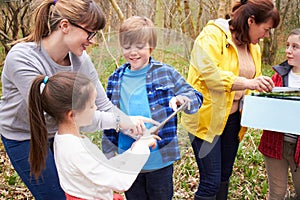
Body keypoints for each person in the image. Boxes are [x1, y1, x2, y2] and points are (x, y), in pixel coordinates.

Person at [0, 1, 157, 199]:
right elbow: (61, 114)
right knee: (55, 195)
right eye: (89, 33)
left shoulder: (80, 59)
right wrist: (121, 122)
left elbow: (102, 105)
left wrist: (132, 127)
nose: (92, 41)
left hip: (61, 134)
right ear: (65, 26)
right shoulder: (22, 58)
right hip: (25, 136)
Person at [181, 0, 280, 199]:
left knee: (224, 178)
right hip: (207, 119)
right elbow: (208, 74)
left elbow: (254, 81)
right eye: (266, 29)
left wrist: (261, 92)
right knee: (210, 183)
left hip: (234, 120)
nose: (267, 36)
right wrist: (247, 83)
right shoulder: (212, 35)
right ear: (251, 21)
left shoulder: (254, 48)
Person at [102, 16, 203, 200]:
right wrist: (108, 156)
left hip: (159, 160)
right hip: (129, 159)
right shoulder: (115, 79)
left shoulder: (166, 73)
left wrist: (182, 99)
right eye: (127, 47)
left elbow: (195, 96)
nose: (133, 52)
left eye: (139, 47)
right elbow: (109, 117)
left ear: (151, 46)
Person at [28, 71, 161, 200]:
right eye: (91, 105)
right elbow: (121, 181)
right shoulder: (76, 150)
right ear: (72, 115)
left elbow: (103, 168)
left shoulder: (64, 139)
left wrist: (134, 148)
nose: (96, 109)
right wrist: (141, 148)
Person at [258, 29, 300, 200]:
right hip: (276, 144)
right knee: (276, 193)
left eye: (295, 47)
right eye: (288, 45)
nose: (288, 50)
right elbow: (266, 109)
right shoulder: (277, 77)